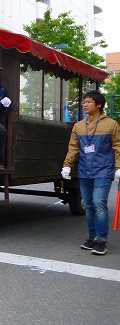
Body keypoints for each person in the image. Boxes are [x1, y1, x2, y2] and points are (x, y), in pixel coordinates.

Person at [62, 90, 120, 256]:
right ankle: (92, 238)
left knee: (98, 204)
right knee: (89, 206)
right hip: (84, 170)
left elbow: (118, 146)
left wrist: (119, 167)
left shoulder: (111, 124)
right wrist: (67, 165)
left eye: (88, 102)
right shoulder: (79, 126)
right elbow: (73, 147)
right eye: (84, 102)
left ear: (99, 105)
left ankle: (101, 241)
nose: (84, 105)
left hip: (103, 170)